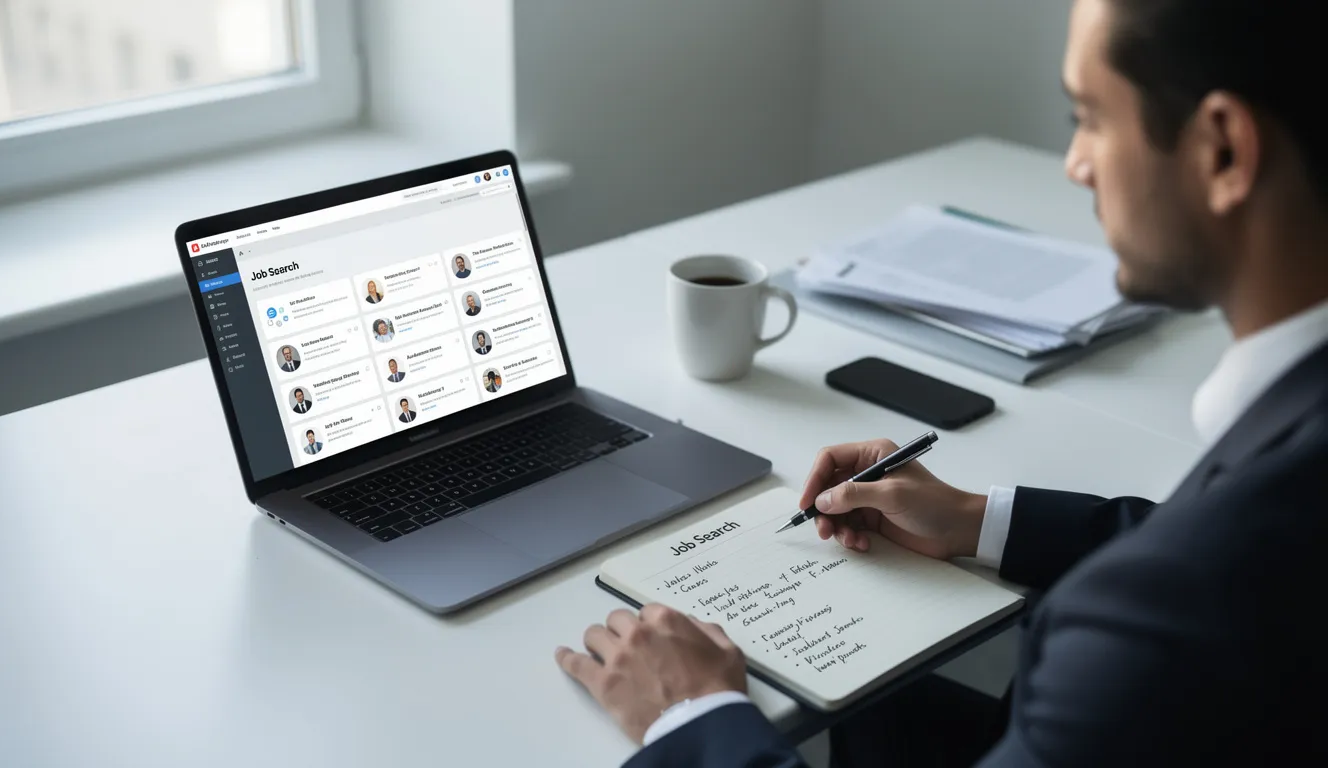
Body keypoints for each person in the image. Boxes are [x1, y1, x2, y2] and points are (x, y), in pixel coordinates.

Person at [555, 1, 1328, 765]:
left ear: (1223, 151)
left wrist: (696, 718)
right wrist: (971, 519)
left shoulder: (1164, 620)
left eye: (1089, 117)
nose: (1075, 165)